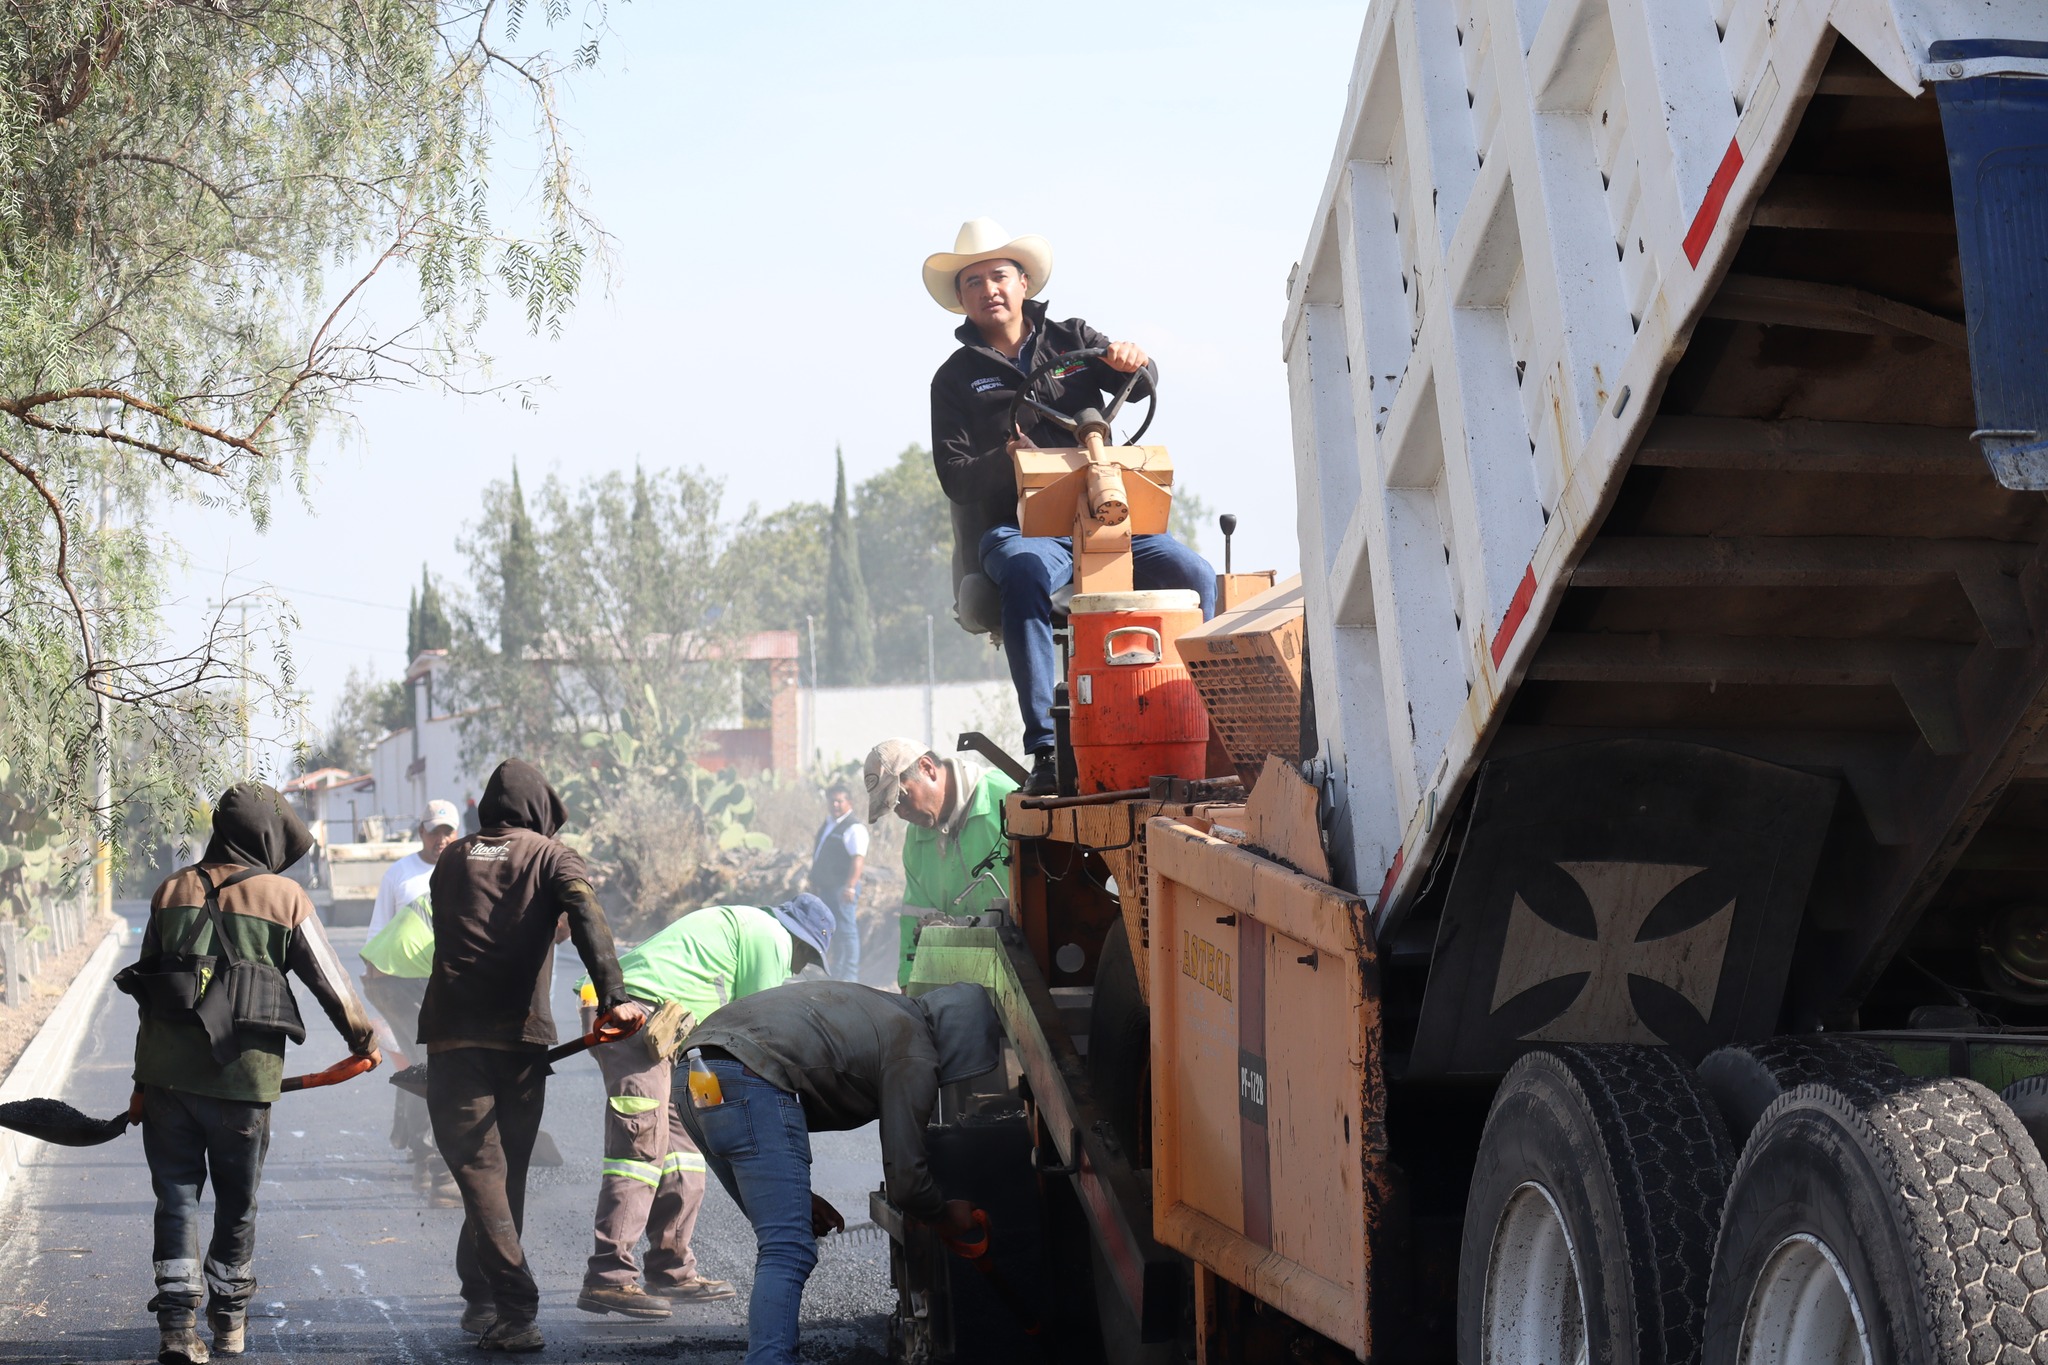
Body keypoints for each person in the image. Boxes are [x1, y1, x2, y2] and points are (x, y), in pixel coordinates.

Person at [925, 217, 1217, 794]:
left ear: (1024, 281)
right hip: (1020, 531)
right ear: (962, 299)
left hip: (1104, 520)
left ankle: (1193, 726)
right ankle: (1046, 750)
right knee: (1028, 571)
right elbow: (955, 477)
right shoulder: (954, 381)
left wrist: (1135, 360)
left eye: (999, 276)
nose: (989, 290)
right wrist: (1006, 461)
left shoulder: (1072, 341)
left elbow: (1141, 377)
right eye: (974, 282)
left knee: (1194, 575)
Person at [130, 783, 380, 1365]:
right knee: (237, 1204)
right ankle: (230, 1323)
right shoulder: (285, 897)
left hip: (165, 1080)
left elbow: (148, 988)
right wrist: (362, 1042)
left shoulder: (171, 890)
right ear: (268, 838)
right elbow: (332, 985)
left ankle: (175, 1327)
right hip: (243, 1085)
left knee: (175, 1198)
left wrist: (143, 1083)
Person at [418, 759, 646, 1354]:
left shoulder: (450, 857)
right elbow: (587, 919)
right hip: (520, 1039)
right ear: (541, 813)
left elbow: (478, 918)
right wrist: (613, 1000)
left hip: (453, 1035)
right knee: (500, 1172)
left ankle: (495, 1299)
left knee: (482, 1173)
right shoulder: (552, 857)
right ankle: (499, 1300)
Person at [678, 981, 1002, 1365]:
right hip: (751, 1075)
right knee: (788, 1248)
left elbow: (733, 1139)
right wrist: (944, 1214)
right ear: (962, 1042)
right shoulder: (914, 1049)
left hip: (695, 1072)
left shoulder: (884, 1010)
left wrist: (798, 1197)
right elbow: (908, 1182)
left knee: (784, 1239)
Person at [573, 895, 836, 1320]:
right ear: (799, 940)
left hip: (666, 1035)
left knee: (684, 1150)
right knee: (639, 1153)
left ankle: (671, 1269)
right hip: (636, 1016)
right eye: (804, 957)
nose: (796, 968)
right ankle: (609, 1278)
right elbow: (758, 1030)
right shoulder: (769, 936)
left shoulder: (744, 928)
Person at [358, 799, 460, 1204]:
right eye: (435, 831)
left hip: (448, 984)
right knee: (427, 1063)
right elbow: (378, 933)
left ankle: (417, 1144)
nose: (442, 839)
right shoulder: (400, 874)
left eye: (448, 831)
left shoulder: (466, 869)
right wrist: (376, 1001)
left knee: (425, 1064)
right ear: (421, 832)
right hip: (403, 984)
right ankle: (427, 1156)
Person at [864, 739, 1015, 924]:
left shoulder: (1008, 798)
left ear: (927, 768)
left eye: (902, 797)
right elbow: (915, 917)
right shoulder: (916, 837)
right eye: (893, 807)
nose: (902, 813)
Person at [806, 784, 868, 982]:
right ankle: (838, 973)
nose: (835, 804)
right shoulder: (829, 823)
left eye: (840, 800)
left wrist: (850, 886)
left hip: (843, 888)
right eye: (832, 800)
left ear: (849, 802)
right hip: (828, 888)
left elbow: (858, 859)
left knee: (848, 932)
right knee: (835, 932)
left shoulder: (853, 827)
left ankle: (850, 977)